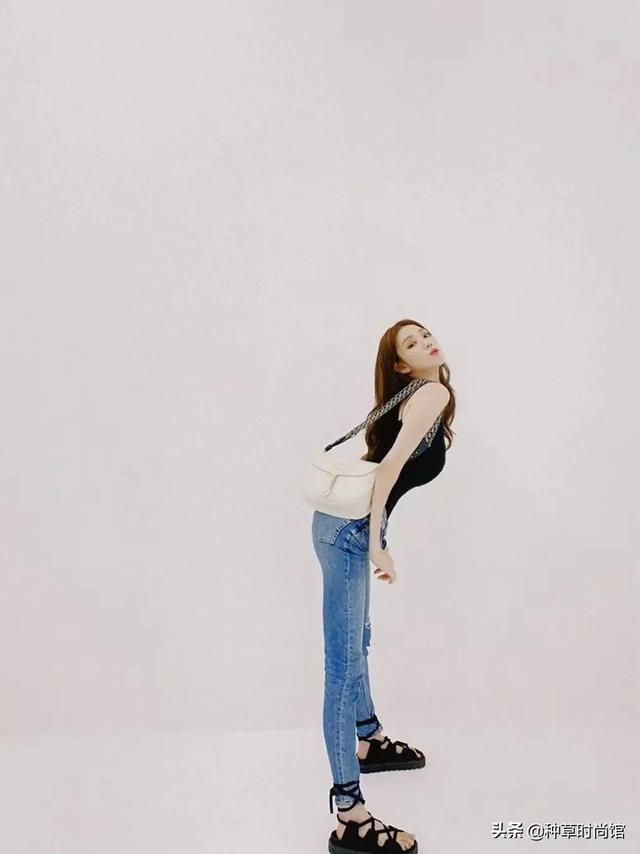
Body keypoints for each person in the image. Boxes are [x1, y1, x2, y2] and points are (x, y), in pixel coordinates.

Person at [311, 319, 456, 854]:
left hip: (338, 526)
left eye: (425, 335)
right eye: (411, 344)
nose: (426, 343)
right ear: (400, 364)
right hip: (351, 532)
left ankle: (369, 739)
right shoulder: (432, 393)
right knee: (342, 665)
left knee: (358, 643)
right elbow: (389, 469)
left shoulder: (415, 395)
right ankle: (350, 816)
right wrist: (377, 542)